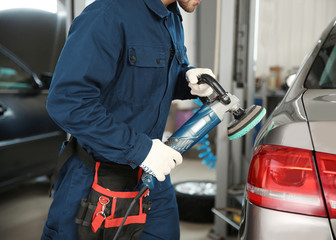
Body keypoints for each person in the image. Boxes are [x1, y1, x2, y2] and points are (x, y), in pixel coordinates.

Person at [42, 0, 216, 239]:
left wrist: (187, 79)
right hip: (96, 179)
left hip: (153, 180)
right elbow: (67, 102)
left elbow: (152, 81)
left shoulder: (172, 18)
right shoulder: (107, 15)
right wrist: (141, 149)